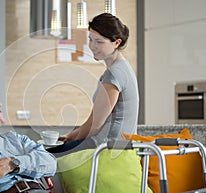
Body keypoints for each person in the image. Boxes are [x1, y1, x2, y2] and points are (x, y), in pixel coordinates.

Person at [48, 13, 139, 157]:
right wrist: (72, 136)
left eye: (99, 42)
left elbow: (95, 125)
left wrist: (74, 138)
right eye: (90, 40)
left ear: (116, 43)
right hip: (111, 146)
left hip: (106, 150)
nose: (92, 46)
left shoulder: (114, 74)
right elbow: (93, 121)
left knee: (45, 156)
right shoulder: (120, 69)